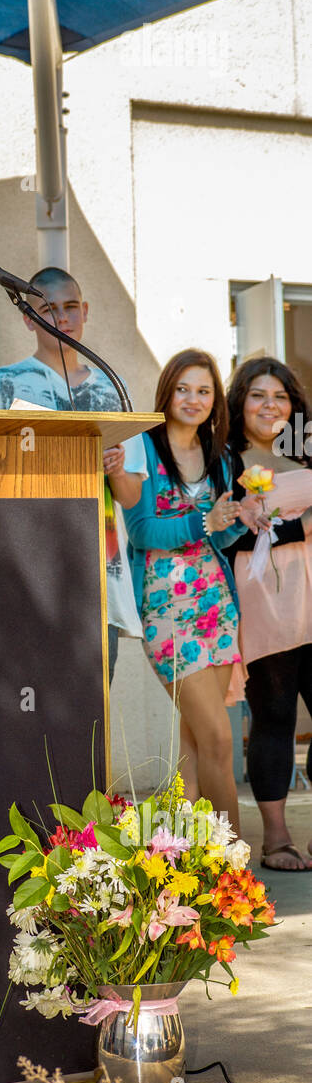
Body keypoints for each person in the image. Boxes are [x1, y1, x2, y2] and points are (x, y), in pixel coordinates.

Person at [0, 267, 146, 682]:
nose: (63, 318)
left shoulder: (112, 389)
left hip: (97, 576)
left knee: (90, 719)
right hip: (26, 575)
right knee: (30, 715)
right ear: (28, 318)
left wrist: (118, 469)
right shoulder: (2, 384)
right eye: (48, 309)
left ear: (84, 311)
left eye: (71, 307)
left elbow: (132, 496)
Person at [124, 349, 258, 827]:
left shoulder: (220, 455)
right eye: (183, 388)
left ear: (214, 401)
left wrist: (238, 519)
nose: (193, 399)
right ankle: (233, 863)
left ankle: (188, 858)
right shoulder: (141, 446)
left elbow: (217, 537)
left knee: (198, 740)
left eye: (204, 391)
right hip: (164, 608)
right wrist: (205, 521)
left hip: (216, 605)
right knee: (221, 740)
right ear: (167, 392)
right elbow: (142, 532)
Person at [226, 357, 312, 870]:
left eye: (279, 396)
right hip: (262, 599)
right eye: (258, 395)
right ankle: (276, 838)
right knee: (275, 715)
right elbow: (224, 530)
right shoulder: (225, 456)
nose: (270, 406)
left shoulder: (305, 448)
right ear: (240, 402)